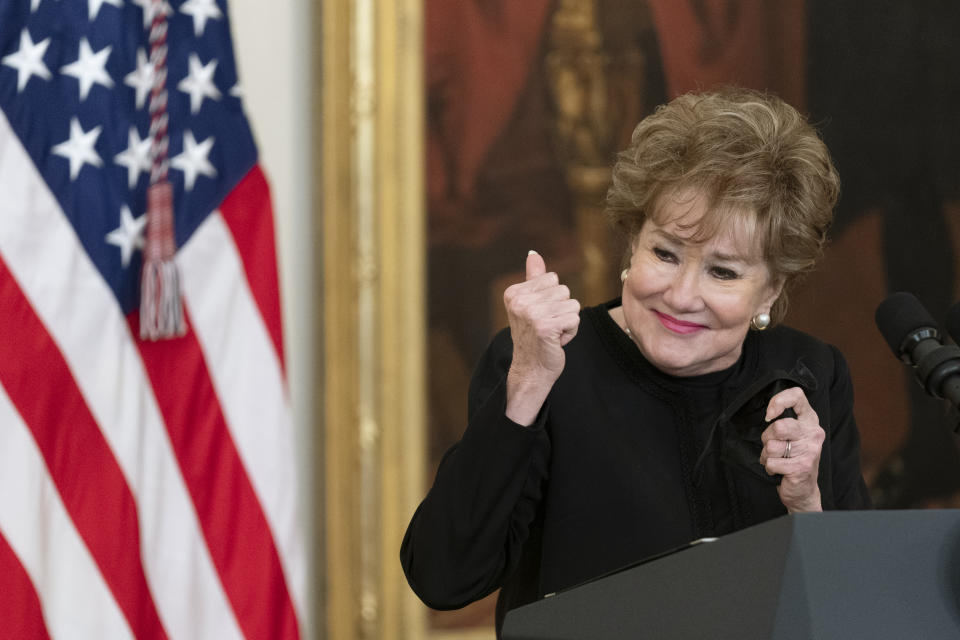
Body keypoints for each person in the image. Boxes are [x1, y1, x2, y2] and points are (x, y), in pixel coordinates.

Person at [401, 87, 872, 635]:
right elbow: (443, 578)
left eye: (723, 272)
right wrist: (526, 388)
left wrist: (806, 506)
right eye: (665, 253)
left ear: (770, 291)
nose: (680, 294)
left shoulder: (810, 373)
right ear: (632, 244)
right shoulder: (542, 364)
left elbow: (855, 610)